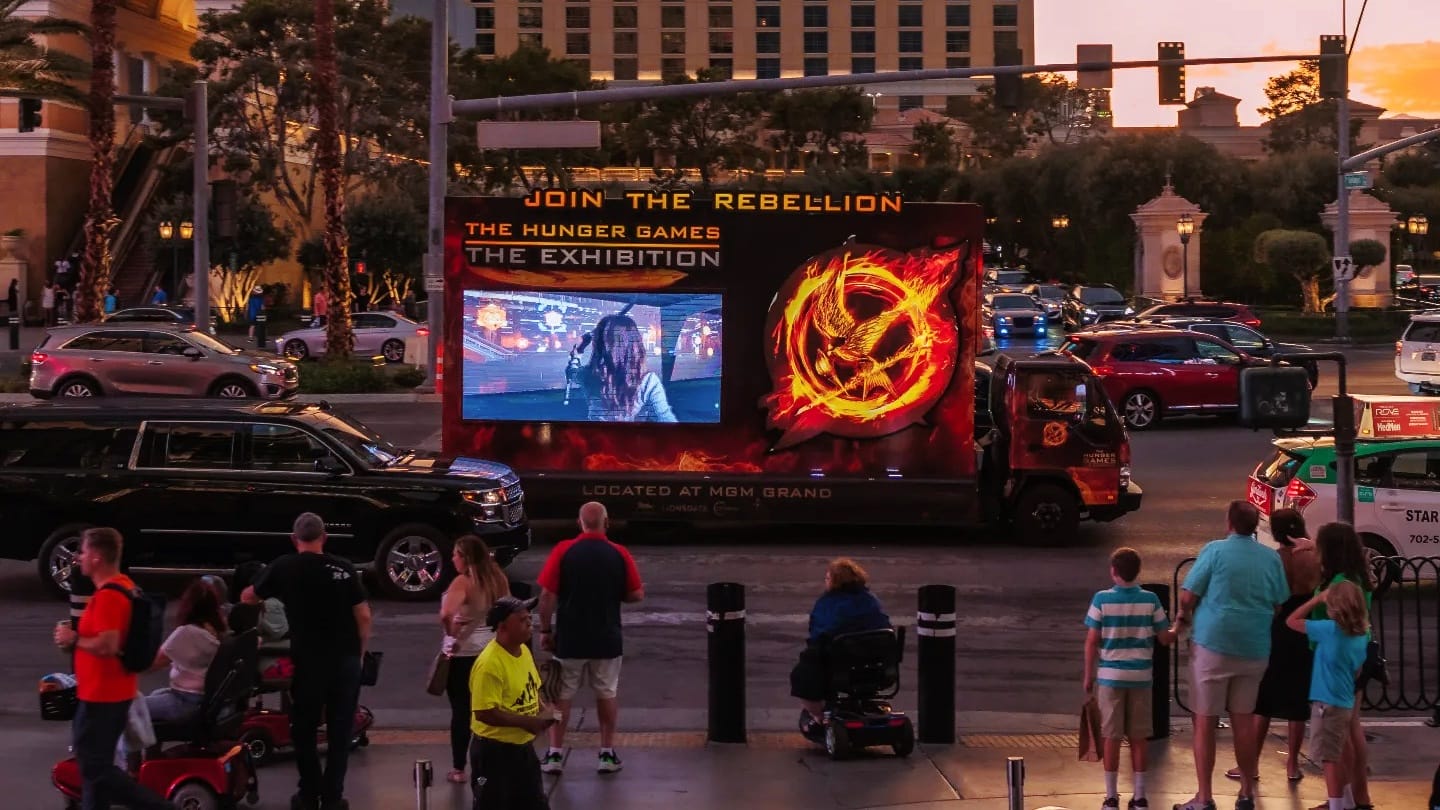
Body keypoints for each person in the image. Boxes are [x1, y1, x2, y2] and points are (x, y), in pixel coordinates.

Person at [242, 513, 372, 810]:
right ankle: (333, 796)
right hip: (345, 661)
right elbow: (363, 616)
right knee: (340, 731)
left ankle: (308, 792)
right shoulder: (343, 569)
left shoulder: (284, 567)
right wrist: (360, 653)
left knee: (304, 729)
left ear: (294, 539)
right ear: (324, 537)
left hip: (309, 662)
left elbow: (248, 597)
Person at [1173, 501, 1289, 810]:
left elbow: (1188, 595)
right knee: (1243, 721)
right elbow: (1279, 604)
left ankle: (1204, 796)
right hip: (1254, 648)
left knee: (1205, 722)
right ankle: (1247, 792)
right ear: (1255, 526)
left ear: (1229, 523)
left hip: (1213, 645)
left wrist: (1184, 615)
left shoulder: (1215, 551)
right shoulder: (1269, 558)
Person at [51, 527, 174, 810]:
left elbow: (108, 644)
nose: (78, 558)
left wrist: (74, 638)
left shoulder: (109, 596)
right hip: (106, 691)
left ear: (95, 556)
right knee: (95, 770)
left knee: (94, 768)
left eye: (82, 551)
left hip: (102, 696)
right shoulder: (124, 586)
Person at [536, 502, 644, 775]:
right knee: (606, 693)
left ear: (579, 522)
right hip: (607, 638)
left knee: (560, 696)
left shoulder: (563, 550)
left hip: (570, 638)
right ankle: (606, 754)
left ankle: (554, 755)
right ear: (606, 523)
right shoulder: (619, 553)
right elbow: (636, 594)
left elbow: (547, 595)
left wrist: (545, 631)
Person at [1083, 548, 1182, 810]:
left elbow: (1092, 641)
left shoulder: (1101, 599)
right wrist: (1179, 625)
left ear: (1114, 571)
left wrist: (1088, 676)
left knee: (1111, 737)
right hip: (1140, 677)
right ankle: (1139, 797)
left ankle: (1111, 796)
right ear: (1137, 572)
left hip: (1110, 677)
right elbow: (1164, 638)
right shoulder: (1150, 600)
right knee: (1139, 738)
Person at [1226, 508, 1319, 784]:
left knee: (1263, 701)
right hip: (1304, 629)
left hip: (1276, 630)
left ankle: (1250, 764)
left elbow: (1271, 597)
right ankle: (1292, 764)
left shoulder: (1274, 559)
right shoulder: (1313, 557)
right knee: (1297, 702)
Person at [1285, 581, 1370, 810]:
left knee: (1329, 759)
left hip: (1326, 702)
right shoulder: (1362, 635)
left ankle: (1336, 804)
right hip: (1344, 700)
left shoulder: (1328, 630)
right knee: (1341, 750)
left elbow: (1291, 621)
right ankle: (1348, 799)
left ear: (1335, 607)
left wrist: (1315, 600)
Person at [1312, 523, 1378, 810]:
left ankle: (1343, 799)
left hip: (1336, 662)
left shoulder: (1337, 584)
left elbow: (1316, 622)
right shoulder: (1359, 578)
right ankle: (1358, 795)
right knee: (1352, 727)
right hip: (1359, 655)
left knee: (1337, 738)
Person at [468, 596, 555, 810]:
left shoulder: (523, 651)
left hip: (522, 750)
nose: (529, 623)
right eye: (522, 619)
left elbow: (532, 689)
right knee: (492, 803)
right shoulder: (489, 664)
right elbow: (484, 712)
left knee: (535, 803)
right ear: (502, 626)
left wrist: (544, 711)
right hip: (493, 755)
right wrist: (525, 722)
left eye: (529, 618)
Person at [790, 558, 891, 738]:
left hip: (841, 665)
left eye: (827, 578)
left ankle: (817, 717)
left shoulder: (829, 604)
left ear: (835, 581)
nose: (825, 581)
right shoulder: (870, 599)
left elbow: (820, 634)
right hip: (875, 664)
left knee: (803, 673)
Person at [438, 535, 510, 784]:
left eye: (456, 554)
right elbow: (508, 609)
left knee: (461, 712)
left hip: (464, 655)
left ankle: (459, 768)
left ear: (466, 558)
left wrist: (451, 633)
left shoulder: (462, 582)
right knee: (492, 710)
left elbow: (446, 613)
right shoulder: (497, 577)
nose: (452, 558)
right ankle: (496, 764)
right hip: (491, 654)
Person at [141, 578, 225, 725]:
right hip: (206, 699)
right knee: (155, 695)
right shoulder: (217, 630)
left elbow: (152, 664)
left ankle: (126, 748)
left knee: (131, 708)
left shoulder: (187, 633)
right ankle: (153, 746)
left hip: (186, 701)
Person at [584, 314, 677, 422]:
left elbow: (572, 369)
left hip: (594, 438)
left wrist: (580, 348)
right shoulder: (648, 381)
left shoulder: (587, 375)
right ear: (635, 344)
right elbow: (666, 420)